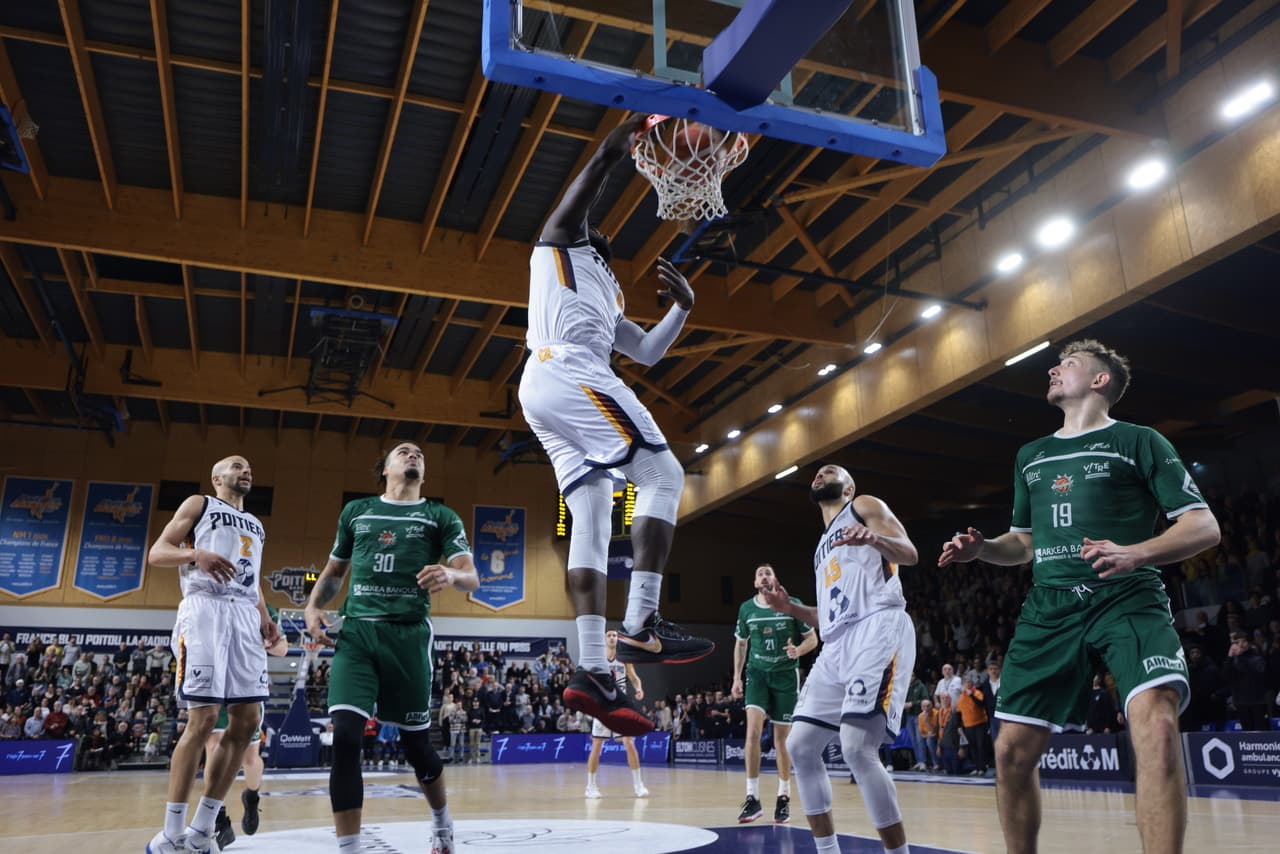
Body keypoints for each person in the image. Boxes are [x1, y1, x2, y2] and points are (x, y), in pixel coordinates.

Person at [938, 339, 1220, 854]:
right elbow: (1021, 545)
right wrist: (981, 550)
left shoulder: (1140, 441)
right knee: (1009, 753)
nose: (1052, 368)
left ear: (1099, 380)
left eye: (1066, 364)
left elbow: (1203, 526)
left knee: (1157, 729)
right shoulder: (1032, 455)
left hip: (1128, 598)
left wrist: (1136, 552)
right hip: (1050, 609)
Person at [518, 112, 713, 736]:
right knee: (663, 473)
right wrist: (610, 151)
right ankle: (640, 625)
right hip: (565, 368)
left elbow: (649, 351)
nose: (593, 228)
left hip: (548, 388)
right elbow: (573, 207)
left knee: (596, 510)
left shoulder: (608, 289)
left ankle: (592, 670)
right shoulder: (559, 248)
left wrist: (682, 309)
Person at [305, 441, 479, 854]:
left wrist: (452, 578)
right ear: (384, 469)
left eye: (419, 453)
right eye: (403, 451)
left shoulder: (439, 516)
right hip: (358, 633)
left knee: (417, 746)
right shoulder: (357, 512)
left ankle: (441, 823)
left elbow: (471, 576)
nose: (413, 454)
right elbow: (334, 572)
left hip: (408, 636)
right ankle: (349, 847)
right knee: (346, 736)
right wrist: (313, 606)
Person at [762, 464, 919, 854]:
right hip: (836, 644)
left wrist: (874, 538)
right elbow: (826, 617)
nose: (819, 474)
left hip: (877, 627)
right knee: (799, 746)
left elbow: (910, 553)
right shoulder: (821, 547)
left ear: (848, 487)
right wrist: (790, 607)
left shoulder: (863, 506)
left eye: (830, 472)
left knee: (855, 747)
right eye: (815, 473)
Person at [146, 455, 281, 854]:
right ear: (217, 477)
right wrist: (195, 555)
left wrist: (264, 615)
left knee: (248, 720)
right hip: (204, 609)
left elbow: (252, 577)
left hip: (243, 616)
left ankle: (204, 829)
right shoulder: (198, 504)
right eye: (238, 465)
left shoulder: (256, 524)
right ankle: (171, 833)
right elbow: (157, 552)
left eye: (249, 466)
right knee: (203, 719)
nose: (246, 469)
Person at [731, 563, 818, 824]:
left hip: (785, 676)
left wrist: (798, 651)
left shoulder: (791, 604)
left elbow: (812, 639)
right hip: (757, 674)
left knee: (782, 741)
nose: (764, 575)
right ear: (756, 583)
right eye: (759, 573)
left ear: (775, 579)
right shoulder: (747, 609)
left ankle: (783, 797)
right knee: (753, 733)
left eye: (768, 572)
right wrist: (736, 677)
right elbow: (741, 644)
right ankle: (752, 798)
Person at [203, 604, 290, 848]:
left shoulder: (263, 609)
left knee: (249, 759)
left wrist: (269, 642)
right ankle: (218, 819)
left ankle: (251, 796)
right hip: (216, 682)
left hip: (249, 684)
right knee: (213, 746)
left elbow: (283, 649)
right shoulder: (213, 601)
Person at [584, 631, 649, 800]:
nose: (612, 637)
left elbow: (634, 678)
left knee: (629, 742)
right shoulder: (598, 658)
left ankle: (638, 785)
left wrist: (639, 688)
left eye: (614, 635)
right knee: (597, 744)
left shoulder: (624, 657)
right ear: (605, 639)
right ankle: (590, 786)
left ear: (617, 639)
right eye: (609, 635)